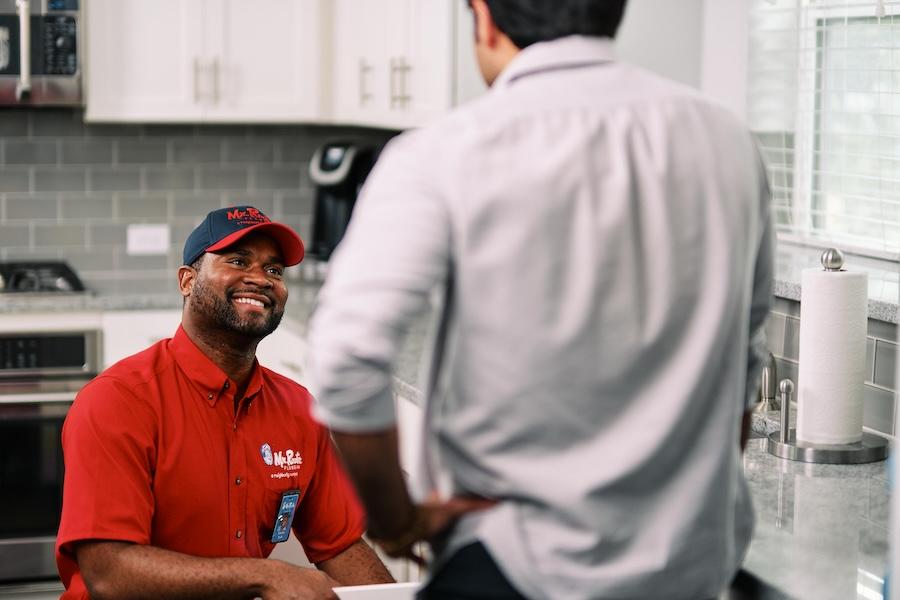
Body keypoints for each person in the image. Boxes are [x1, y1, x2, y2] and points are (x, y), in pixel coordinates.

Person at [307, 1, 774, 599]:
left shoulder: (446, 151)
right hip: (689, 568)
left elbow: (346, 357)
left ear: (483, 17)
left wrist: (398, 523)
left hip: (515, 569)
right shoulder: (728, 142)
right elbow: (744, 365)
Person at [56, 206, 393, 600]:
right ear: (187, 280)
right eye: (237, 261)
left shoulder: (298, 409)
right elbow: (108, 573)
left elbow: (340, 545)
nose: (261, 279)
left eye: (274, 270)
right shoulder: (118, 401)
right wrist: (267, 576)